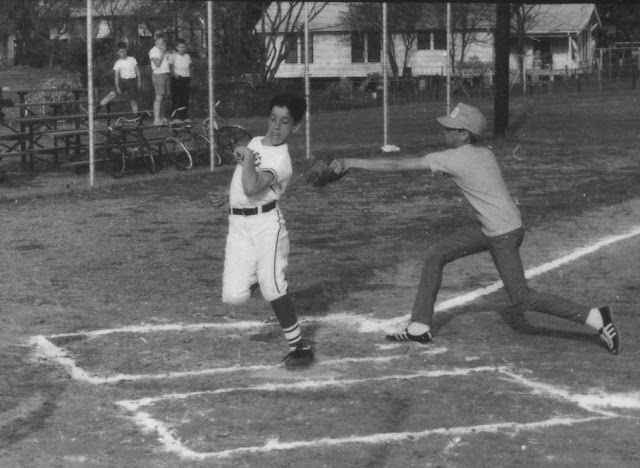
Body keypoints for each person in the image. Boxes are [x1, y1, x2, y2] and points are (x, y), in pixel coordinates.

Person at [331, 103, 621, 355]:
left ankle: (596, 317)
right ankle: (419, 327)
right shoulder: (485, 154)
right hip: (494, 226)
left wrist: (349, 162)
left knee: (521, 297)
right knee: (436, 253)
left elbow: (396, 167)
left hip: (503, 234)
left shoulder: (452, 158)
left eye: (451, 129)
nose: (445, 132)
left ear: (464, 135)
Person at [222, 93, 315, 369]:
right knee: (234, 296)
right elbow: (242, 181)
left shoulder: (282, 161)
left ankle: (299, 347)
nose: (276, 127)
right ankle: (262, 275)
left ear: (295, 127)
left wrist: (249, 157)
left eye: (285, 122)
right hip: (238, 227)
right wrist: (226, 195)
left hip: (266, 226)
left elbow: (252, 187)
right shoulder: (254, 142)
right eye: (273, 119)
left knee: (272, 285)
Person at [97, 43, 141, 113]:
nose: (123, 53)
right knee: (111, 94)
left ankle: (135, 114)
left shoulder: (132, 59)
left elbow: (137, 71)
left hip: (132, 82)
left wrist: (139, 82)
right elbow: (116, 76)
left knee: (133, 100)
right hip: (122, 82)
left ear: (126, 51)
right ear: (118, 52)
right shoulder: (118, 63)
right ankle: (98, 107)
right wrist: (117, 87)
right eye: (121, 52)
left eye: (124, 51)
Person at [148, 34, 171, 125]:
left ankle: (162, 117)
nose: (163, 44)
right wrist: (162, 53)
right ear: (156, 42)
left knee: (164, 97)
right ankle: (156, 119)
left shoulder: (164, 51)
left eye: (164, 42)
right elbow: (157, 64)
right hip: (158, 75)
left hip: (166, 74)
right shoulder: (153, 51)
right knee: (159, 97)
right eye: (161, 42)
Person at [168, 39, 192, 122]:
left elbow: (189, 67)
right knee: (176, 98)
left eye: (183, 47)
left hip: (186, 78)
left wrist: (189, 76)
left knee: (185, 98)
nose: (182, 49)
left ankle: (184, 117)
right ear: (176, 47)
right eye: (180, 47)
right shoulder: (173, 56)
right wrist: (175, 75)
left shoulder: (187, 56)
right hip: (177, 79)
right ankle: (175, 117)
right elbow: (170, 67)